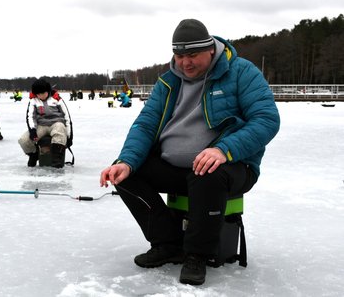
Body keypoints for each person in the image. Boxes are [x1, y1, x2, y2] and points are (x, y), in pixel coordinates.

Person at [99, 19, 280, 286]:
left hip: (232, 166)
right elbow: (146, 125)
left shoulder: (242, 72)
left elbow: (266, 119)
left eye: (192, 55)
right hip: (175, 166)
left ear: (210, 49)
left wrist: (224, 150)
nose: (186, 63)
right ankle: (167, 243)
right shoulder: (168, 81)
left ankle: (197, 254)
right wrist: (127, 161)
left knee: (207, 173)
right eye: (180, 55)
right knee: (123, 174)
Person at [18, 79, 71, 168]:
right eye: (38, 94)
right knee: (23, 140)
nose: (41, 96)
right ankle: (34, 155)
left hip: (56, 123)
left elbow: (66, 116)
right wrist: (32, 130)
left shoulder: (56, 98)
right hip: (41, 125)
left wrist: (69, 135)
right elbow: (31, 116)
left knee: (59, 131)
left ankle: (57, 159)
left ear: (48, 91)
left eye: (43, 93)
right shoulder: (33, 100)